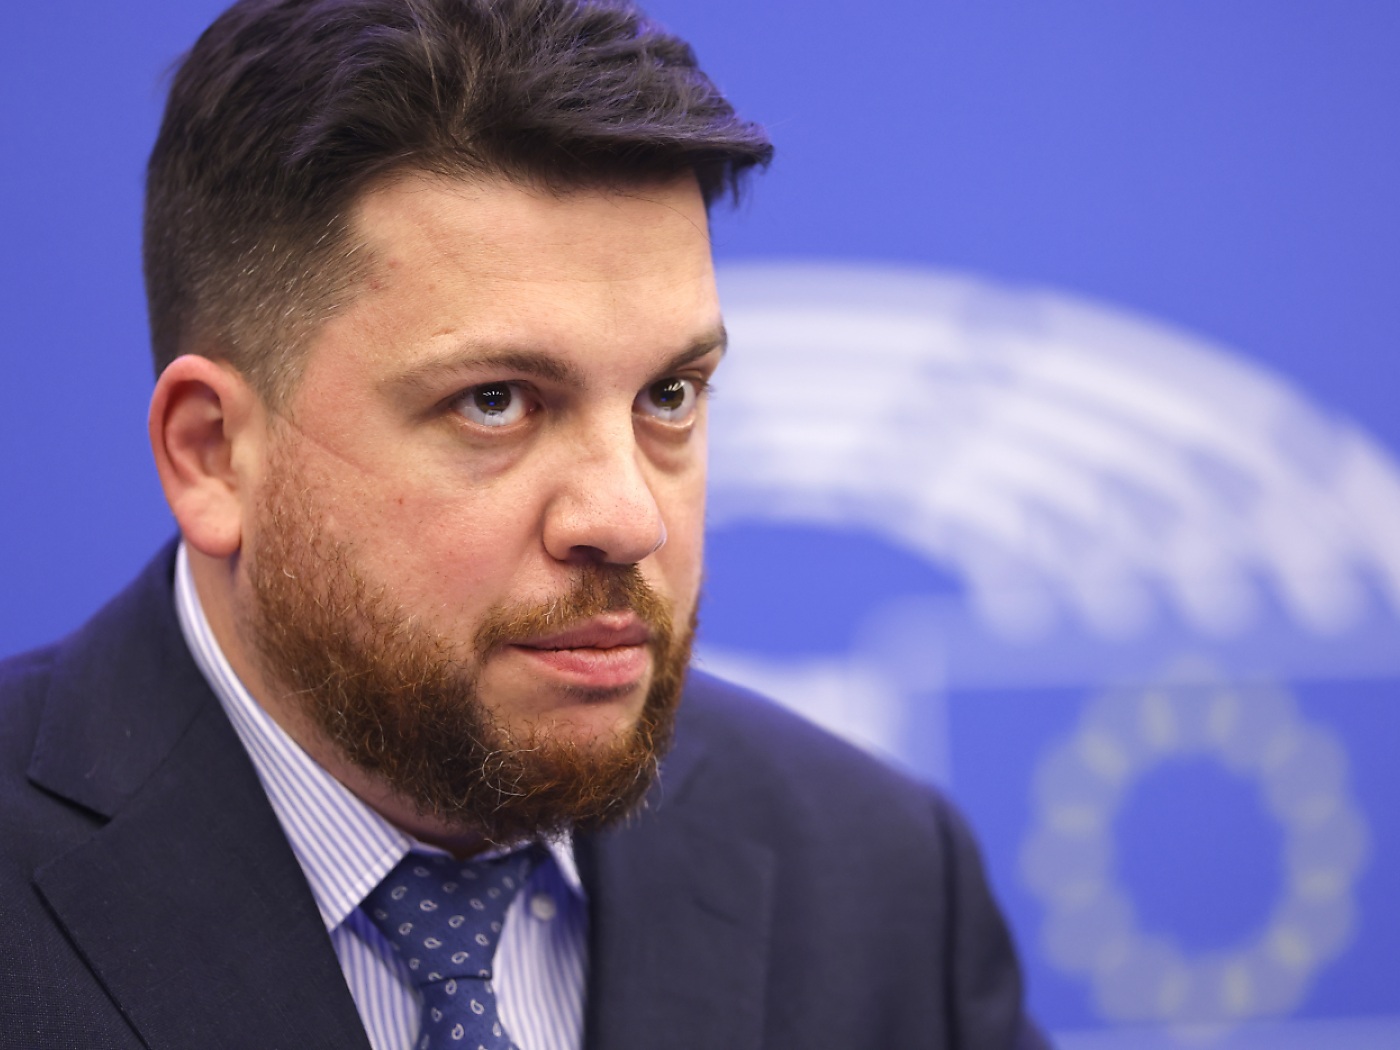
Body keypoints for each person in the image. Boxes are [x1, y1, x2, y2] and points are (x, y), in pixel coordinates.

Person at [0, 1, 1047, 1047]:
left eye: (669, 395)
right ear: (213, 452)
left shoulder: (881, 883)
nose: (627, 519)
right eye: (494, 402)